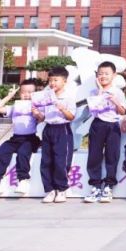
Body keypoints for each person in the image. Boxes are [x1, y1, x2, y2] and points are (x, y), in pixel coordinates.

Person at [0, 79, 41, 196]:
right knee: (0, 153)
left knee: (23, 153)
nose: (26, 95)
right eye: (23, 92)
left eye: (30, 92)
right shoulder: (15, 107)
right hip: (15, 138)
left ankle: (23, 181)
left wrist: (36, 113)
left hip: (30, 138)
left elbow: (42, 119)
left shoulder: (37, 107)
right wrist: (10, 96)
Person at [84, 61, 126, 203]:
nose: (103, 76)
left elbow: (122, 111)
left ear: (114, 75)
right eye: (100, 74)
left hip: (113, 125)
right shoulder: (93, 92)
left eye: (106, 73)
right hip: (98, 124)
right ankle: (95, 186)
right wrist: (100, 92)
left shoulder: (118, 92)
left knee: (112, 156)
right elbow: (93, 110)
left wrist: (115, 101)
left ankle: (109, 186)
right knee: (94, 155)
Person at [36, 66, 77, 203]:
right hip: (48, 129)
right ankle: (49, 190)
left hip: (62, 129)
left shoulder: (68, 98)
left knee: (61, 161)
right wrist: (37, 114)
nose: (52, 83)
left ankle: (61, 189)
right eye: (50, 80)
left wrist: (62, 109)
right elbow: (42, 117)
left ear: (64, 81)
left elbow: (71, 117)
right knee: (46, 161)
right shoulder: (46, 98)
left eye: (56, 80)